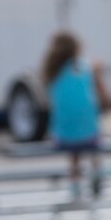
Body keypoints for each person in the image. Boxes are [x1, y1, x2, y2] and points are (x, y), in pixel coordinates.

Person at [42, 32, 103, 200]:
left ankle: (75, 182)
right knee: (92, 138)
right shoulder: (83, 66)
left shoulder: (51, 70)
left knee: (74, 153)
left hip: (63, 133)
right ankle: (97, 170)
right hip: (89, 130)